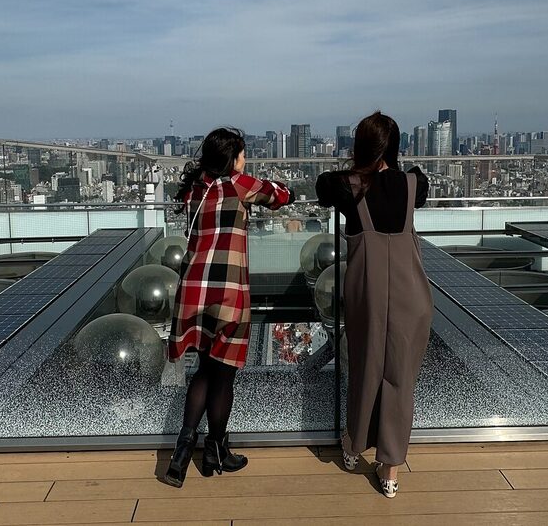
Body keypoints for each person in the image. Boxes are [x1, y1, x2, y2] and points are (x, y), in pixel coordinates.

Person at [164, 127, 293, 488]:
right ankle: (216, 451)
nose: (245, 159)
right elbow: (280, 195)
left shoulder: (195, 188)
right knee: (223, 376)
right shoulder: (238, 185)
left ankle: (182, 449)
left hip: (193, 290)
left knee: (203, 370)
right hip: (228, 293)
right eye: (242, 154)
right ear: (232, 158)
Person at [315, 111, 433, 499]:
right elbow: (418, 180)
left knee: (365, 368)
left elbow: (322, 186)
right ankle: (391, 469)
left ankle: (353, 446)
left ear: (362, 147)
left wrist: (356, 168)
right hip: (412, 295)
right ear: (394, 148)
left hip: (367, 292)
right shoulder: (414, 184)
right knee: (401, 378)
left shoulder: (348, 187)